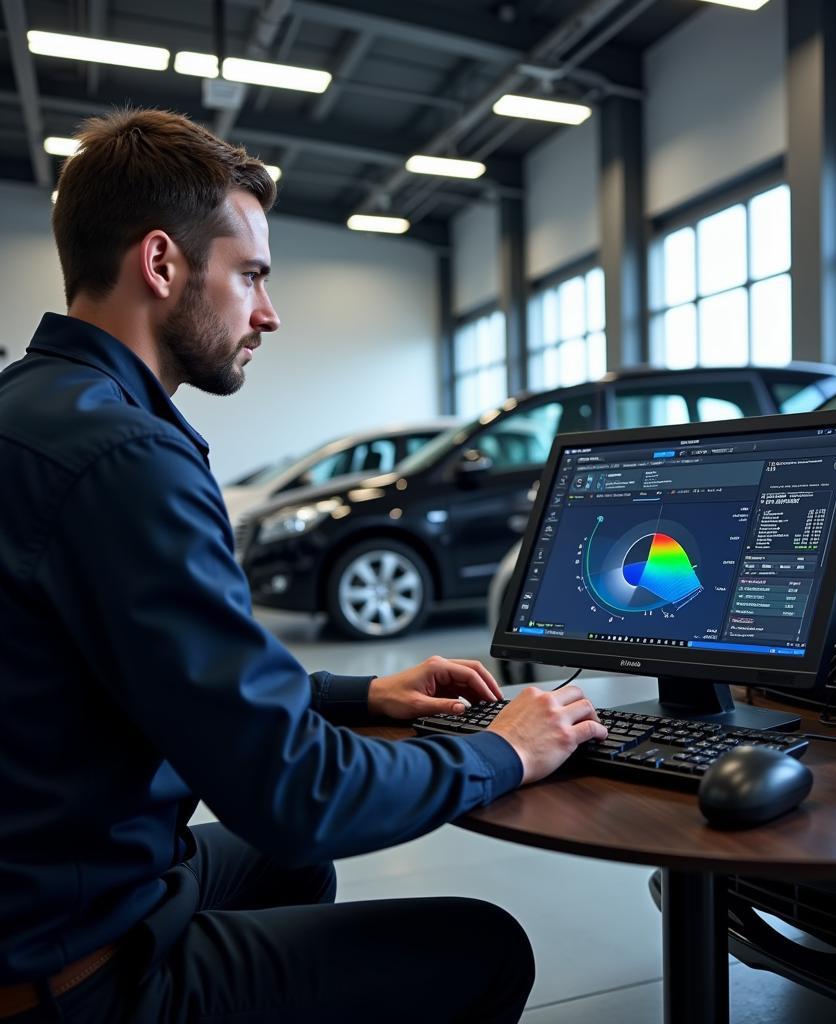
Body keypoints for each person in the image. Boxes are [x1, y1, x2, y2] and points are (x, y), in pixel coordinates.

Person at [0, 108, 607, 1024]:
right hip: (73, 970)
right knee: (481, 949)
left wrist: (364, 697)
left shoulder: (36, 407)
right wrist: (503, 749)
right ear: (161, 264)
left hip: (43, 881)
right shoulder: (126, 460)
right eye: (250, 276)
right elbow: (297, 793)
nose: (268, 313)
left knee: (287, 869)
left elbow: (160, 670)